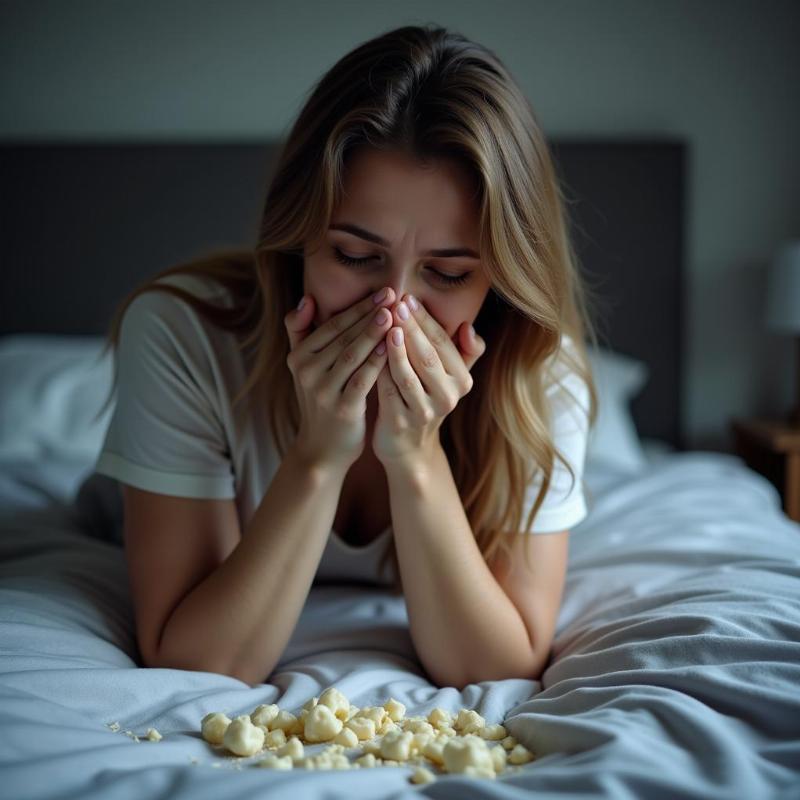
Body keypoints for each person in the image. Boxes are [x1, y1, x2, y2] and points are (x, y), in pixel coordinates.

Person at [92, 24, 600, 689]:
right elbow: (196, 662)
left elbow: (497, 667)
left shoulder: (538, 368)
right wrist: (317, 453)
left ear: (499, 279)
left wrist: (416, 457)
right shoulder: (183, 333)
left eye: (446, 274)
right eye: (356, 258)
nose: (395, 308)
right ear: (297, 240)